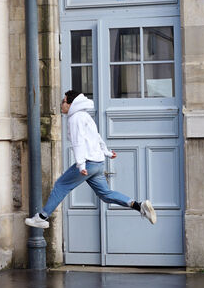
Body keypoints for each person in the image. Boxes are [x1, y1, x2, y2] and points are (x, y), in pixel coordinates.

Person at [25, 90, 157, 229]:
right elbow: (96, 137)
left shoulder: (75, 119)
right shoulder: (85, 116)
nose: (61, 104)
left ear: (71, 104)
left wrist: (81, 165)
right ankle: (139, 206)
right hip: (98, 163)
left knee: (61, 185)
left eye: (63, 101)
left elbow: (78, 142)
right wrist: (107, 152)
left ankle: (42, 217)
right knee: (106, 194)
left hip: (88, 164)